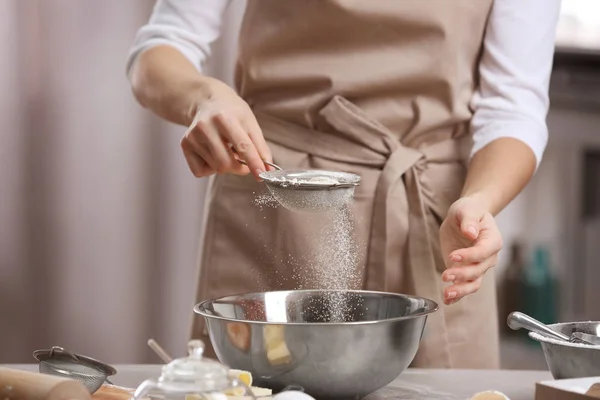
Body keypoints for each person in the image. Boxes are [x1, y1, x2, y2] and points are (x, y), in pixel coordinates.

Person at [126, 0, 561, 368]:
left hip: (435, 220)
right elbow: (162, 44)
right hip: (276, 194)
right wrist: (202, 97)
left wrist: (479, 200)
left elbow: (514, 105)